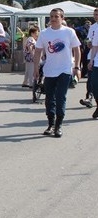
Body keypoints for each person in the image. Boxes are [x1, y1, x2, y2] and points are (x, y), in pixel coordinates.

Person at [33, 8, 81, 137]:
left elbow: (77, 50)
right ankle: (50, 124)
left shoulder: (69, 32)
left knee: (60, 97)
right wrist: (36, 68)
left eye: (56, 16)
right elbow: (38, 51)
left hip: (65, 70)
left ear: (62, 18)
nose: (53, 19)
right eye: (51, 16)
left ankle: (58, 126)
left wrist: (77, 67)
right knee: (49, 99)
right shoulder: (44, 33)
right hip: (49, 70)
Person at [87, 8, 98, 118]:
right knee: (94, 85)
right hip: (96, 62)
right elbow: (94, 45)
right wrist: (91, 61)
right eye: (95, 14)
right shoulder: (94, 27)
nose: (96, 16)